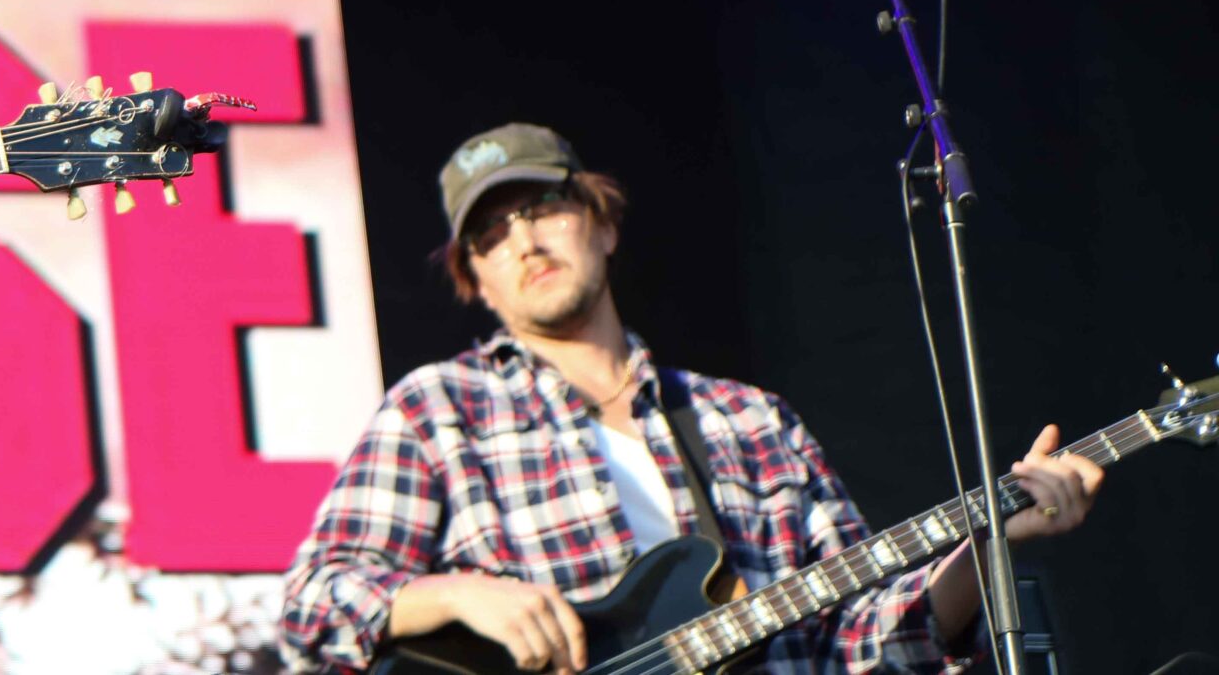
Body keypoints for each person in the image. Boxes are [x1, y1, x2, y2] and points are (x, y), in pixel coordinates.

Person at [280, 124, 1103, 674]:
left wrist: (992, 539)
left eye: (541, 209)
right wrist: (459, 592)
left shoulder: (748, 418)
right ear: (477, 281)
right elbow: (313, 600)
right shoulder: (437, 409)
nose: (523, 240)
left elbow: (862, 634)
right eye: (490, 235)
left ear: (600, 222)